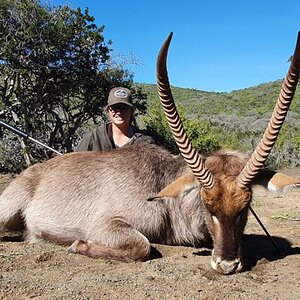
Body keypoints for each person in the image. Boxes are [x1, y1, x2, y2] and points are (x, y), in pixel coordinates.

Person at [75, 87, 154, 151]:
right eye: (114, 108)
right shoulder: (94, 138)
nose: (119, 112)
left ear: (131, 111)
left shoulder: (144, 141)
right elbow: (76, 162)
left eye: (124, 108)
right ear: (108, 110)